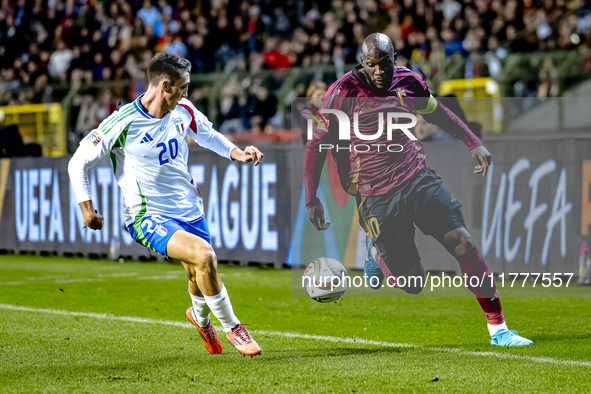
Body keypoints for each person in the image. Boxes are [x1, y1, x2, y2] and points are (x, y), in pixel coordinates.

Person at [303, 33, 532, 347]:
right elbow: (316, 146)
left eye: (385, 63)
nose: (380, 71)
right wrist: (311, 198)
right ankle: (379, 254)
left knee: (462, 243)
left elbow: (437, 112)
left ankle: (499, 329)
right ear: (363, 64)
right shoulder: (341, 92)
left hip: (417, 179)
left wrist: (473, 142)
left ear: (395, 58)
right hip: (376, 196)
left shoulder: (409, 82)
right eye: (372, 65)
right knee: (414, 283)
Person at [68, 52, 264, 356]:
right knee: (204, 257)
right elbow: (77, 162)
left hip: (189, 208)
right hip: (146, 215)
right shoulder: (122, 122)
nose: (187, 94)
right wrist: (87, 209)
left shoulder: (182, 109)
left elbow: (207, 135)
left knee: (196, 273)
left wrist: (239, 154)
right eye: (183, 88)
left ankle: (201, 321)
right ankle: (234, 327)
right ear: (165, 85)